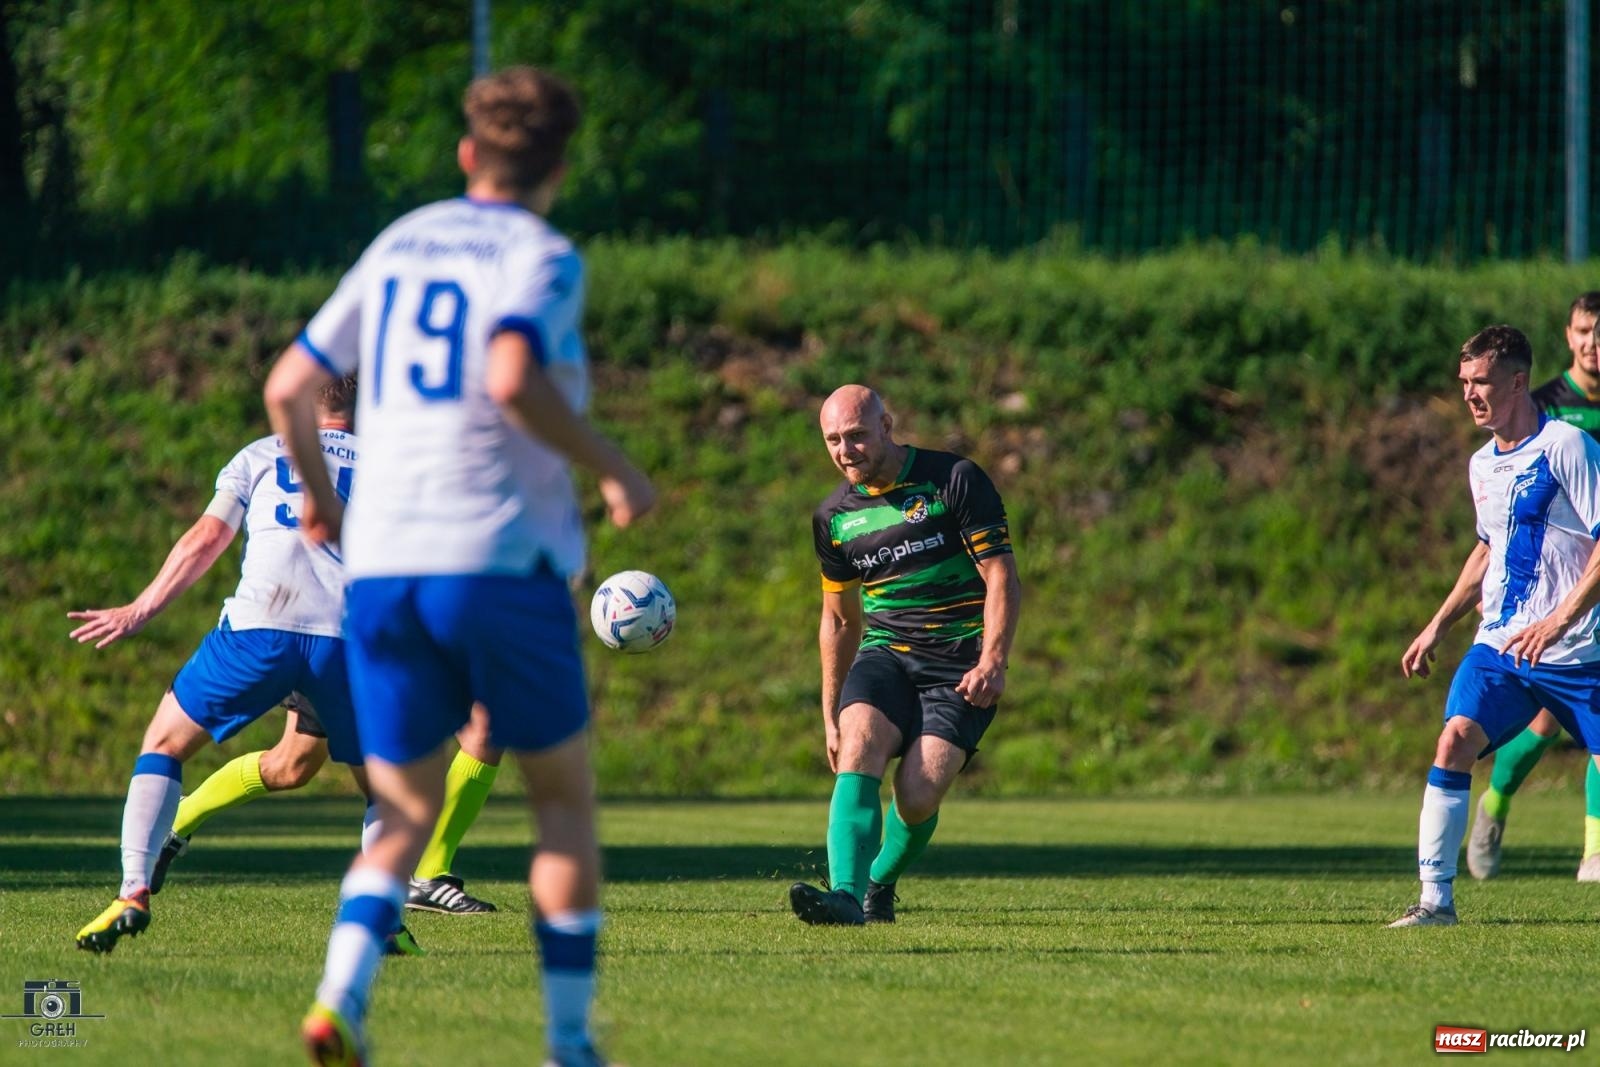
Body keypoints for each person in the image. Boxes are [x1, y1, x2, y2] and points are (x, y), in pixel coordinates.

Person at [263, 66, 654, 1067]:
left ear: (467, 154)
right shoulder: (544, 253)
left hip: (385, 569)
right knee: (562, 801)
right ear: (560, 168)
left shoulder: (398, 242)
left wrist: (317, 493)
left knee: (401, 808)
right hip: (496, 561)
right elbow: (512, 375)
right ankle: (569, 1041)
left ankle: (338, 998)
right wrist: (613, 467)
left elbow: (288, 386)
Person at [69, 377, 399, 951]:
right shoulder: (392, 465)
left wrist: (139, 610)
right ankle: (383, 921)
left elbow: (207, 537)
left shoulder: (262, 454)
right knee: (389, 790)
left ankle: (132, 891)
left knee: (167, 744)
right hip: (346, 639)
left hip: (258, 632)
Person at [788, 385, 1021, 926]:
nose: (846, 450)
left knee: (916, 795)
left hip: (960, 661)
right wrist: (829, 714)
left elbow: (1000, 574)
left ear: (887, 425)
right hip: (886, 653)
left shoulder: (954, 479)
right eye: (833, 441)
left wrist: (993, 661)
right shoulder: (834, 518)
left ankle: (878, 883)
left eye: (857, 435)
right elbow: (841, 618)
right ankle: (843, 896)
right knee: (859, 746)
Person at [1392, 325, 1600, 927]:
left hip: (1579, 652)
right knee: (1454, 740)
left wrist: (1561, 620)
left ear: (1516, 381)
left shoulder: (1567, 447)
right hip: (1504, 646)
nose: (1468, 394)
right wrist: (1437, 625)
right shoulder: (1482, 464)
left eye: (1479, 382)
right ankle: (1436, 902)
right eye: (1463, 383)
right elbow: (1488, 549)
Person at [1467, 292, 1600, 882]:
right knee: (1546, 723)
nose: (1594, 344)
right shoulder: (1541, 406)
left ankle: (1594, 851)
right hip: (1563, 583)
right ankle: (1494, 802)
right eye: (1584, 331)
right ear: (1569, 336)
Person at [153, 695, 504, 915]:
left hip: (417, 616)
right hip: (338, 624)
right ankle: (180, 817)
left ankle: (427, 874)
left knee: (483, 729)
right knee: (292, 765)